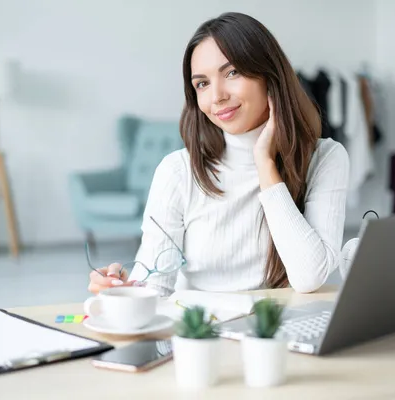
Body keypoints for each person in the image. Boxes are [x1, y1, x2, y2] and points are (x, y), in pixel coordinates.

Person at [88, 12, 349, 297]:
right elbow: (154, 286)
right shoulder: (178, 171)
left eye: (232, 72)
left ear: (269, 75)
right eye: (202, 83)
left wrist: (265, 163)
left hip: (281, 334)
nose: (217, 97)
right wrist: (123, 290)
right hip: (201, 334)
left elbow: (309, 277)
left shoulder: (326, 158)